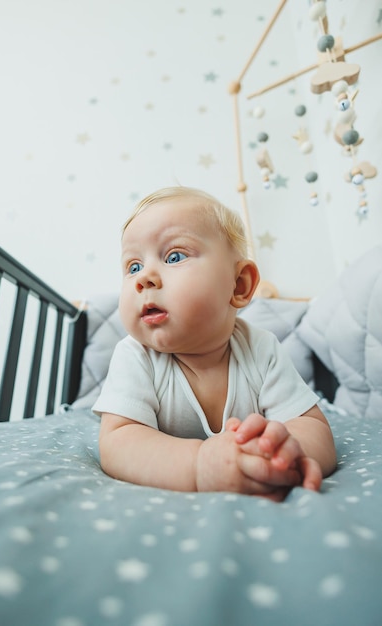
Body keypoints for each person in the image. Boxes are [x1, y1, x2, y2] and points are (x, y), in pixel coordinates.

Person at [93, 186, 336, 501]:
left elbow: (309, 425)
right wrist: (199, 465)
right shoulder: (134, 355)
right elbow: (118, 443)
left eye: (174, 256)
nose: (144, 279)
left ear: (239, 285)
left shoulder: (262, 349)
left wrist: (284, 454)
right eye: (133, 266)